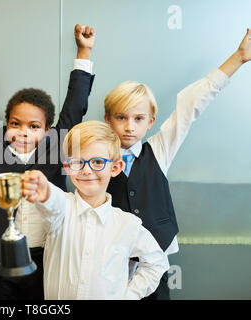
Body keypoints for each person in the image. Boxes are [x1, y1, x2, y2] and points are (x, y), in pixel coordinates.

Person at [103, 28, 251, 299]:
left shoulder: (159, 149)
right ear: (107, 119)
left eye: (138, 119)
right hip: (111, 260)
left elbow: (190, 103)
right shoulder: (97, 156)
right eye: (121, 117)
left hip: (155, 259)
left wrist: (238, 58)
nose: (129, 127)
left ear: (150, 121)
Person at [0, 19, 95, 299]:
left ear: (47, 131)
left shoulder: (55, 148)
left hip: (47, 256)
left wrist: (84, 53)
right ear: (5, 124)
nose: (23, 131)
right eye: (15, 123)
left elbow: (76, 106)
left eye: (34, 126)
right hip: (0, 259)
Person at [21, 121, 169, 299]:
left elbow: (157, 263)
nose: (86, 170)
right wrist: (43, 189)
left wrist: (127, 296)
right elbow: (52, 200)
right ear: (67, 167)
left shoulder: (128, 224)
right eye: (77, 162)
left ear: (115, 168)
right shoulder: (61, 210)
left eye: (98, 162)